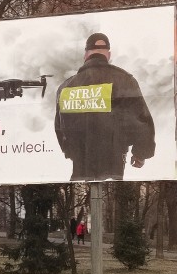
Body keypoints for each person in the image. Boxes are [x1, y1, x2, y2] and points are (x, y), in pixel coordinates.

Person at [55, 32, 156, 181]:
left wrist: (70, 151)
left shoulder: (66, 86)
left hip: (79, 171)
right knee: (111, 203)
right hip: (113, 170)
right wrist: (140, 153)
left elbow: (59, 127)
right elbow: (141, 120)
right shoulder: (124, 80)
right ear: (108, 55)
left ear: (86, 55)